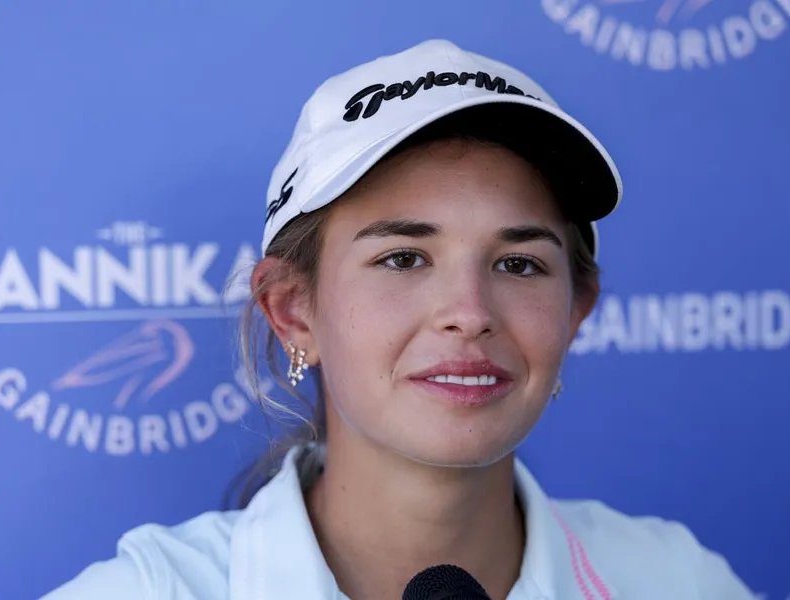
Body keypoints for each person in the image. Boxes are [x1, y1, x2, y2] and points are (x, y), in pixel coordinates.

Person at [43, 39, 754, 600]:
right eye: (404, 258)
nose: (469, 314)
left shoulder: (677, 582)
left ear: (575, 314)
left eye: (518, 264)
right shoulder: (150, 591)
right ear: (293, 311)